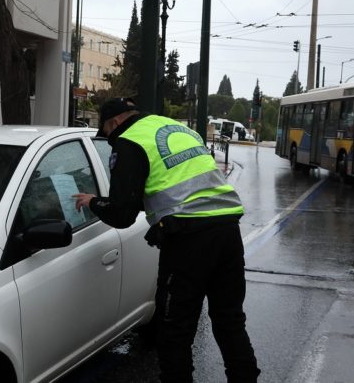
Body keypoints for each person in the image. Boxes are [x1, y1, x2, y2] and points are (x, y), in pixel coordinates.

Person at [74, 98, 260, 383]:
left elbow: (122, 214)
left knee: (174, 330)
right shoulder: (174, 127)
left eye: (108, 134)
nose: (111, 140)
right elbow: (172, 183)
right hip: (228, 230)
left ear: (114, 123)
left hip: (188, 241)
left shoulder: (129, 139)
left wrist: (93, 202)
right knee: (230, 321)